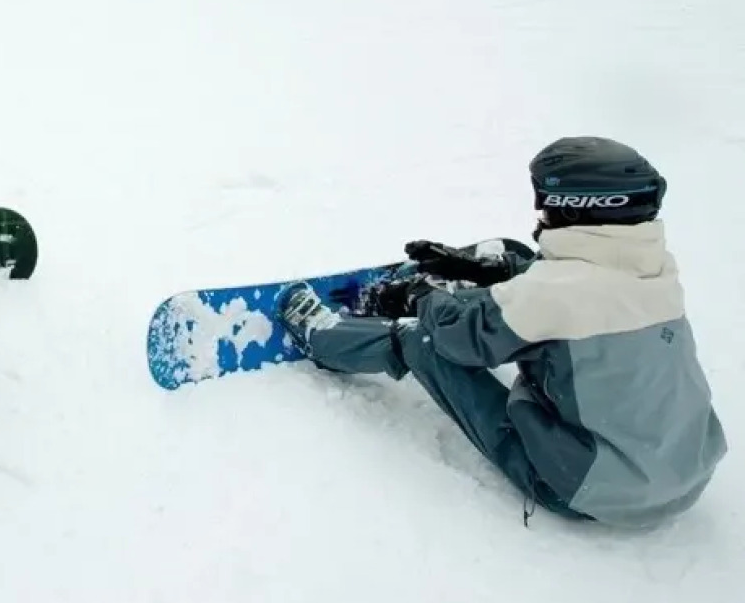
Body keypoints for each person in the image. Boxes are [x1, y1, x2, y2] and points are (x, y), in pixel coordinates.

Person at [277, 136, 728, 527]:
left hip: (588, 491)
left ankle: (321, 336)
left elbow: (461, 339)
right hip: (683, 476)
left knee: (425, 341)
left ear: (574, 208)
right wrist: (482, 269)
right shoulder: (655, 269)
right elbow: (566, 290)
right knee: (514, 256)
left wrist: (423, 295)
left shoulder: (554, 294)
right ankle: (481, 287)